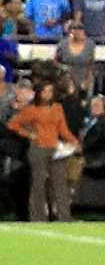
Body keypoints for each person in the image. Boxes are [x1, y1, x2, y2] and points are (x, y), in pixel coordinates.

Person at [6, 83, 78, 222]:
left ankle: (64, 216)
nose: (48, 94)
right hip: (38, 148)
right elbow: (13, 124)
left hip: (56, 148)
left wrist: (73, 141)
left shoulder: (58, 108)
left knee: (60, 183)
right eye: (45, 91)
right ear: (39, 93)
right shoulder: (31, 109)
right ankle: (38, 217)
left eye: (50, 91)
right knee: (38, 183)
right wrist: (29, 134)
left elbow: (63, 129)